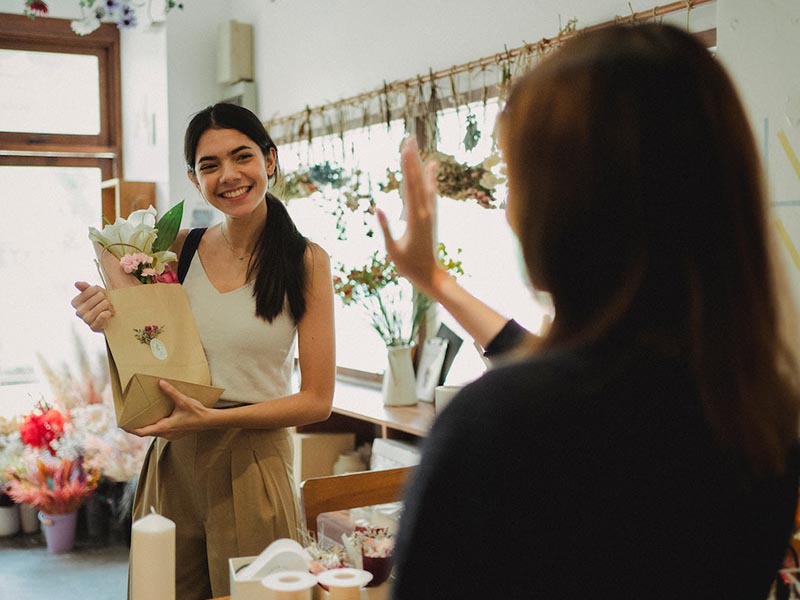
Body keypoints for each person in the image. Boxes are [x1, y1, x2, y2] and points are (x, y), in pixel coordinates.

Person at [377, 24, 800, 599]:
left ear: (572, 204)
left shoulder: (498, 430)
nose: (508, 212)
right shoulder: (760, 414)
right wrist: (435, 281)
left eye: (516, 178)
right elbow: (574, 367)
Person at [71, 103, 335, 599]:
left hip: (253, 461)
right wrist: (105, 317)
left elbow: (317, 400)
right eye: (209, 165)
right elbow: (150, 345)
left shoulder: (306, 261)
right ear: (194, 179)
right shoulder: (177, 252)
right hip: (173, 462)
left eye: (242, 157)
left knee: (255, 595)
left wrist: (210, 421)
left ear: (270, 161)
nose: (229, 175)